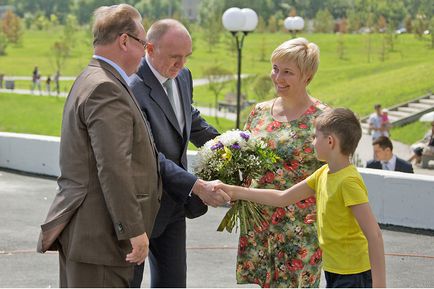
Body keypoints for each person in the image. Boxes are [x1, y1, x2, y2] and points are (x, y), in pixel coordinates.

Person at [36, 5, 162, 287]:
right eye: (143, 43)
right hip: (101, 241)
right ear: (125, 41)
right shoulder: (106, 87)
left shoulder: (91, 77)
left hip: (90, 238)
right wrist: (133, 230)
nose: (145, 52)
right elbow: (114, 166)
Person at [216, 108, 386, 288]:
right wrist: (235, 191)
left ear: (330, 141)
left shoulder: (348, 181)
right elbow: (282, 198)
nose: (312, 142)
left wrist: (380, 285)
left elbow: (373, 234)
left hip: (354, 274)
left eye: (315, 137)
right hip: (335, 269)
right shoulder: (323, 173)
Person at [129, 19, 224, 288]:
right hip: (140, 207)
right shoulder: (132, 88)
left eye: (186, 57)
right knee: (129, 283)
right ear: (149, 48)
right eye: (174, 57)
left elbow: (187, 119)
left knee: (173, 283)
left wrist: (228, 147)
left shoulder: (182, 76)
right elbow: (148, 155)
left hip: (173, 205)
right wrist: (196, 185)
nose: (181, 64)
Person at [226, 38, 328, 287]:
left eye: (287, 72)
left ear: (308, 75)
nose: (277, 77)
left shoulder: (323, 118)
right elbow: (246, 160)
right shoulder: (259, 112)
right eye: (275, 68)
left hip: (300, 227)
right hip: (259, 220)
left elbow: (331, 174)